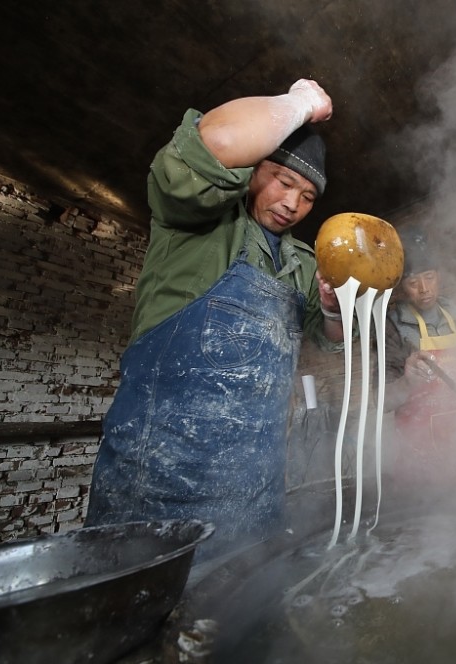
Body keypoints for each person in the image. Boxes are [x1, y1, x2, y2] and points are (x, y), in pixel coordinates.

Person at [85, 79, 343, 560]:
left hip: (256, 493)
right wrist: (299, 103)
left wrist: (330, 309)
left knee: (238, 625)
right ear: (253, 169)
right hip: (156, 491)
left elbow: (327, 341)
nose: (292, 203)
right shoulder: (195, 225)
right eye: (283, 181)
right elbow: (219, 143)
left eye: (307, 196)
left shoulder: (302, 261)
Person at [383, 231, 456, 488]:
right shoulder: (392, 326)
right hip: (420, 454)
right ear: (401, 286)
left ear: (439, 275)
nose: (424, 289)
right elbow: (381, 401)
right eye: (413, 282)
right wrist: (408, 381)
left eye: (429, 277)